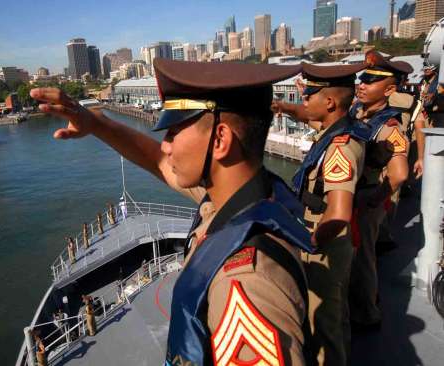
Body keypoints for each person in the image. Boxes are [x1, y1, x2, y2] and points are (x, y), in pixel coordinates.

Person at [30, 59, 313, 365]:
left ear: (219, 141)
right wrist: (96, 123)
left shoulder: (246, 283)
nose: (165, 146)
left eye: (173, 132)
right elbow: (157, 161)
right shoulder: (241, 194)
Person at [290, 63, 368, 365]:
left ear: (330, 103)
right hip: (334, 240)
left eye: (309, 96)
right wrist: (285, 105)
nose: (304, 101)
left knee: (322, 324)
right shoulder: (341, 129)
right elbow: (310, 118)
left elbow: (337, 211)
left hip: (324, 243)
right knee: (338, 313)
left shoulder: (338, 148)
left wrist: (310, 242)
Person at [347, 50, 412, 330]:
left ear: (389, 89)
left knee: (363, 259)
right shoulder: (357, 112)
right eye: (362, 78)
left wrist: (374, 201)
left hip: (365, 200)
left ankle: (367, 314)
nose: (361, 84)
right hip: (352, 197)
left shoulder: (389, 125)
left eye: (370, 81)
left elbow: (399, 174)